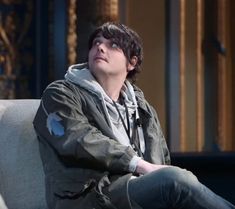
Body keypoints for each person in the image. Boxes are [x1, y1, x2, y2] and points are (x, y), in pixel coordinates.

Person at [33, 22, 235, 209]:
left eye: (113, 45)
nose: (101, 48)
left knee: (179, 181)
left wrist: (156, 174)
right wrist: (142, 165)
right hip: (92, 196)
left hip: (135, 190)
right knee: (175, 180)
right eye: (97, 43)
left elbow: (161, 160)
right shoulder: (61, 93)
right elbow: (78, 138)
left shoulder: (141, 106)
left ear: (131, 62)